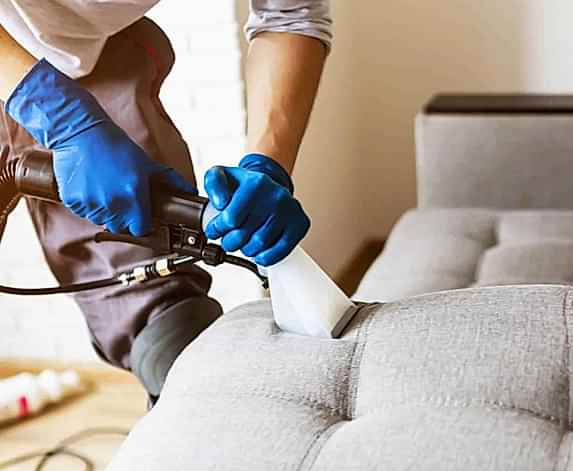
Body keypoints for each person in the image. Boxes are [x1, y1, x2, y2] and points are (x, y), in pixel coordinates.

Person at [0, 1, 331, 404]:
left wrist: (268, 163)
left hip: (88, 56)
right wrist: (60, 115)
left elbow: (289, 15)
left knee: (168, 323)